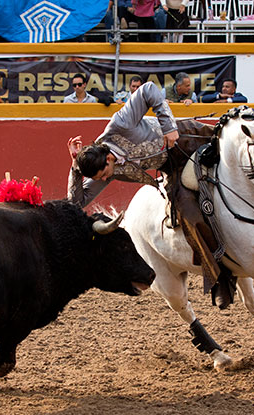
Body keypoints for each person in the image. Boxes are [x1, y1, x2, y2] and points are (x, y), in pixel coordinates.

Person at [66, 80, 234, 309]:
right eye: (101, 179)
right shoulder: (101, 166)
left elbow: (148, 89)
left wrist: (168, 126)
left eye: (104, 174)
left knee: (240, 150)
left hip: (188, 137)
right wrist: (75, 168)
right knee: (187, 212)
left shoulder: (120, 124)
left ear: (108, 159)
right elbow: (76, 202)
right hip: (172, 168)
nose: (105, 180)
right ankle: (219, 277)